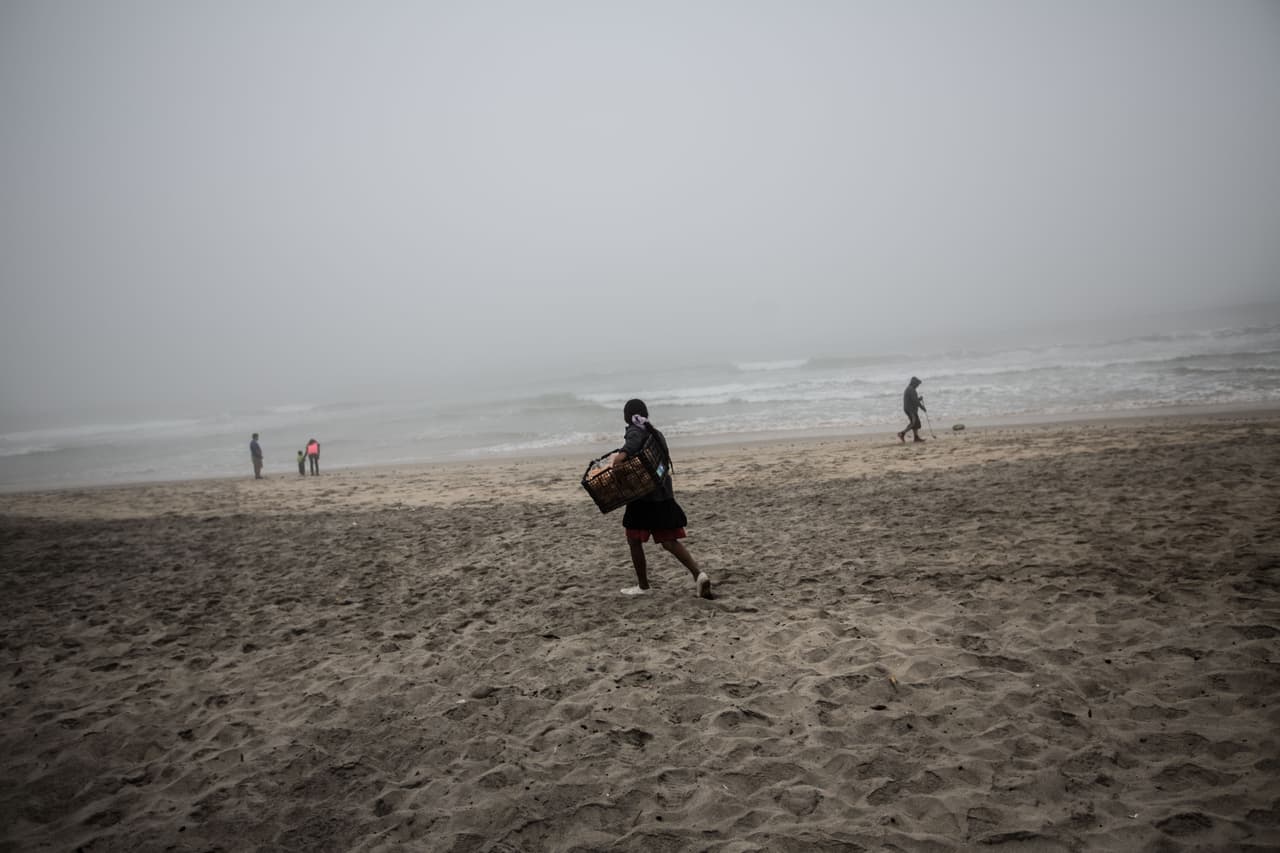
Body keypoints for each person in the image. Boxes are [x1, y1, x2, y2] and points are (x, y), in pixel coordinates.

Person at [608, 399, 712, 599]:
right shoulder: (657, 434)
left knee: (633, 539)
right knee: (669, 542)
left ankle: (643, 586)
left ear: (627, 416)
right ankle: (699, 575)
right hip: (663, 495)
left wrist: (615, 464)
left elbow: (622, 457)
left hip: (643, 498)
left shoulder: (634, 432)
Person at [897, 376, 927, 443]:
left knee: (916, 423)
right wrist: (922, 407)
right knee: (913, 423)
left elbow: (914, 400)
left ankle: (916, 438)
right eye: (917, 384)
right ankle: (902, 433)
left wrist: (919, 399)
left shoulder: (910, 389)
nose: (918, 386)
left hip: (910, 408)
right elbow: (915, 401)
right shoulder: (911, 389)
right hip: (910, 409)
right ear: (914, 383)